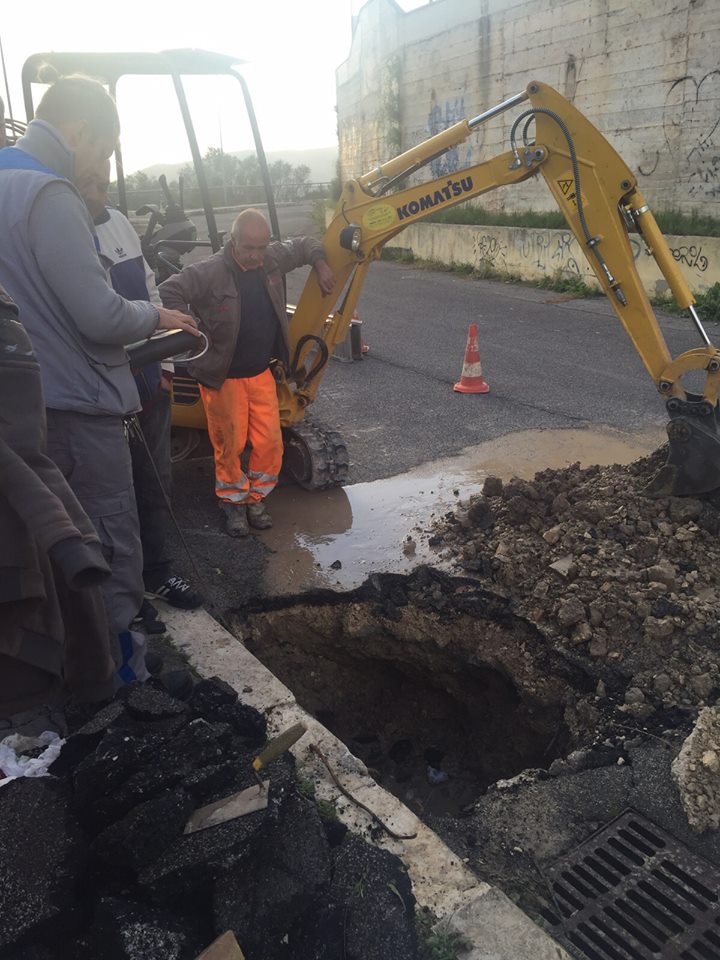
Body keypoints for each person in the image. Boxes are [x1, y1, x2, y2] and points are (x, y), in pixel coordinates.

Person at [0, 75, 200, 688]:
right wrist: (156, 317)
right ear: (80, 130)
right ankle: (124, 680)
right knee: (110, 541)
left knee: (57, 547)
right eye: (105, 150)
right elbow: (99, 313)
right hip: (81, 409)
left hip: (27, 410)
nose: (102, 167)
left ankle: (74, 667)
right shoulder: (49, 192)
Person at [159, 209, 336, 537]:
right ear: (233, 241)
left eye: (261, 247)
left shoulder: (271, 259)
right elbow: (170, 290)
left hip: (261, 374)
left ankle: (256, 499)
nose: (256, 255)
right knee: (230, 445)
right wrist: (190, 327)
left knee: (270, 443)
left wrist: (321, 263)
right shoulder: (209, 271)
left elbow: (305, 243)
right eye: (248, 248)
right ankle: (233, 505)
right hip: (223, 379)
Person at [79, 159, 202, 615]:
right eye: (88, 174)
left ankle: (156, 573)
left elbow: (151, 297)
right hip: (98, 394)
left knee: (154, 482)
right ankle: (118, 589)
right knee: (107, 493)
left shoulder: (121, 228)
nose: (97, 185)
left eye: (103, 176)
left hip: (148, 383)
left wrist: (165, 368)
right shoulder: (58, 235)